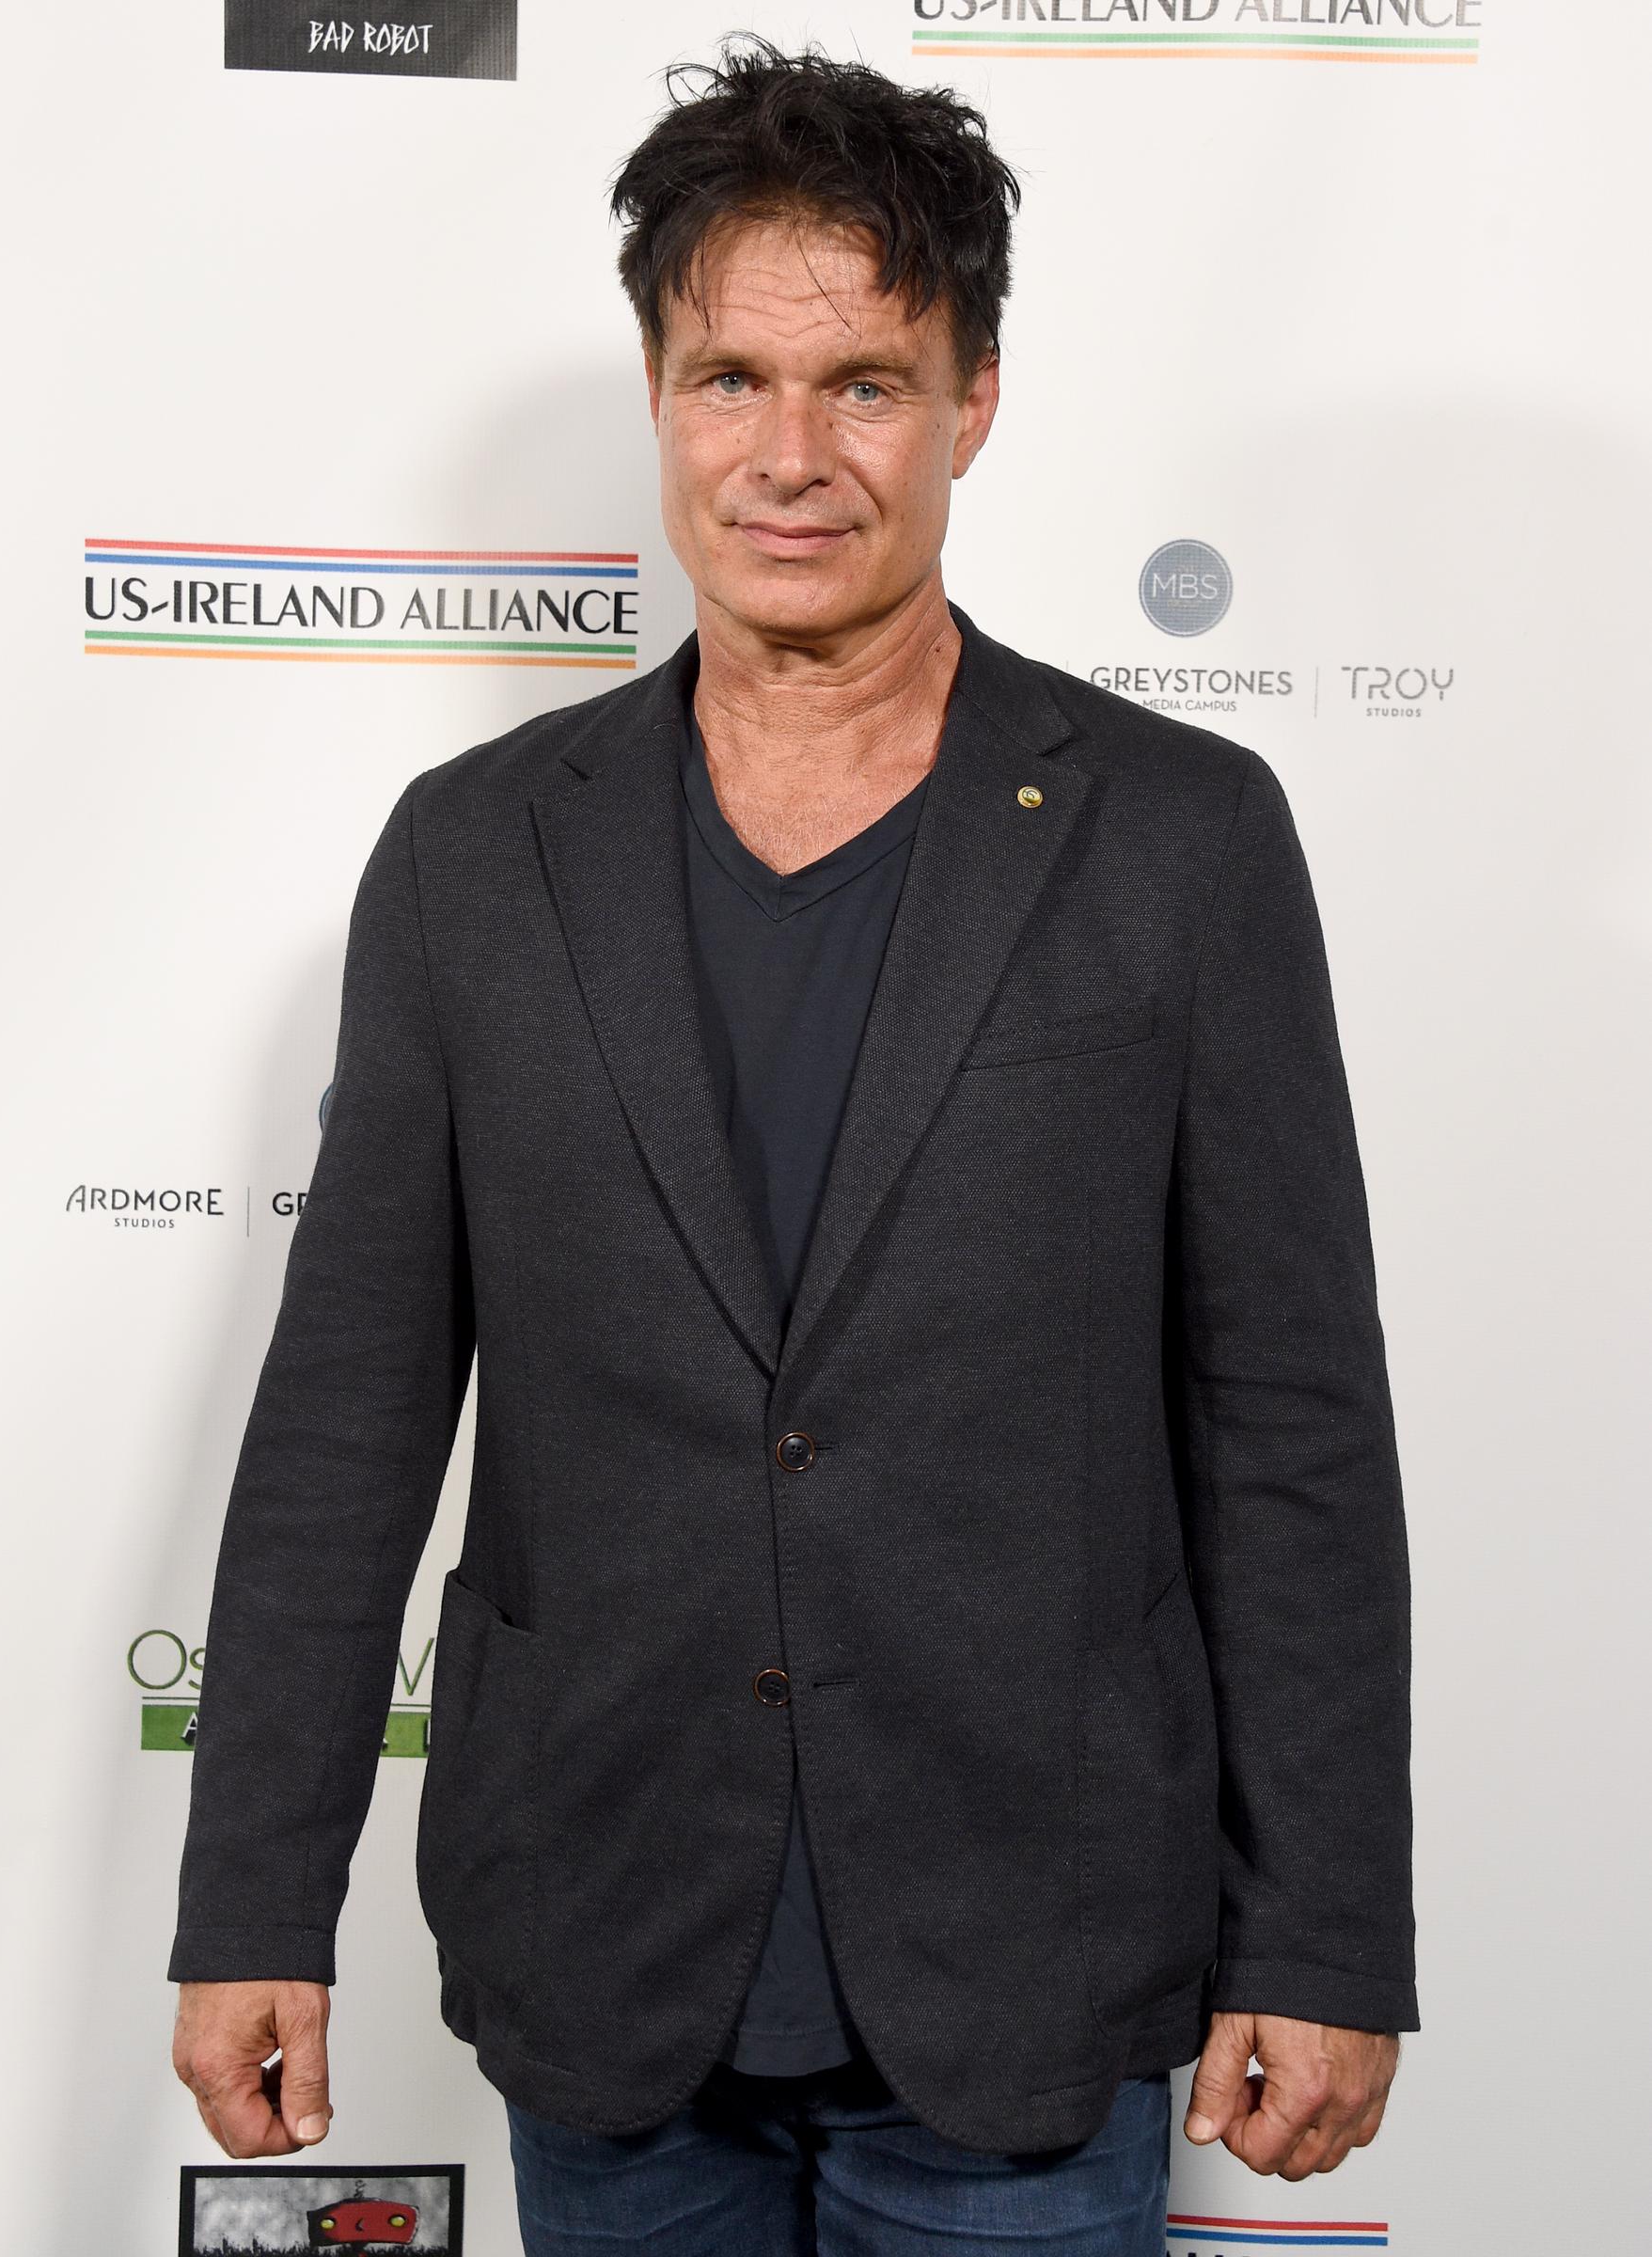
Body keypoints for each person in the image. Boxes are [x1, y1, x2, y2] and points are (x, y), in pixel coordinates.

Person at [168, 37, 1417, 2256]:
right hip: (612, 1942)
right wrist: (255, 1889)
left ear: (974, 404)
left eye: (863, 383)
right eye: (730, 376)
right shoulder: (472, 860)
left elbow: (1292, 1421)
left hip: (1032, 1951)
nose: (790, 453)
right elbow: (349, 1410)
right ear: (656, 392)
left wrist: (1318, 1930)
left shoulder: (1183, 842)